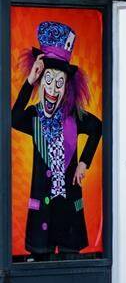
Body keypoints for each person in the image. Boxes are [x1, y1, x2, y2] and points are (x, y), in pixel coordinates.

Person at [11, 21, 101, 260]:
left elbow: (98, 128)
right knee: (41, 261)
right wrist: (29, 81)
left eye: (59, 82)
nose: (52, 88)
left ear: (66, 87)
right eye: (48, 80)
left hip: (68, 212)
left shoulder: (75, 116)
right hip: (42, 212)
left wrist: (84, 163)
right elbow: (13, 118)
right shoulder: (34, 116)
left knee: (70, 259)